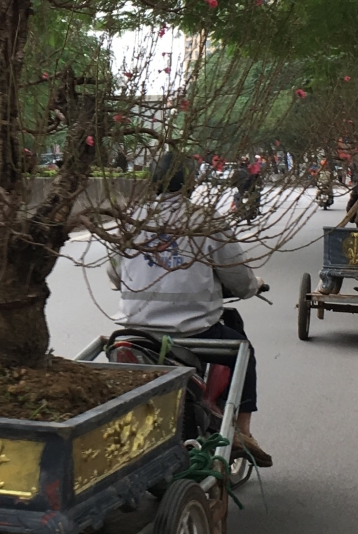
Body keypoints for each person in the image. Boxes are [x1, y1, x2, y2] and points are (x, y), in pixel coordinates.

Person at [111, 154, 272, 466]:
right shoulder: (206, 221)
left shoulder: (129, 221)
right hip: (193, 332)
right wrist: (254, 286)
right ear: (191, 183)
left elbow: (113, 276)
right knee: (243, 351)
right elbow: (239, 281)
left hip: (134, 331)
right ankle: (241, 432)